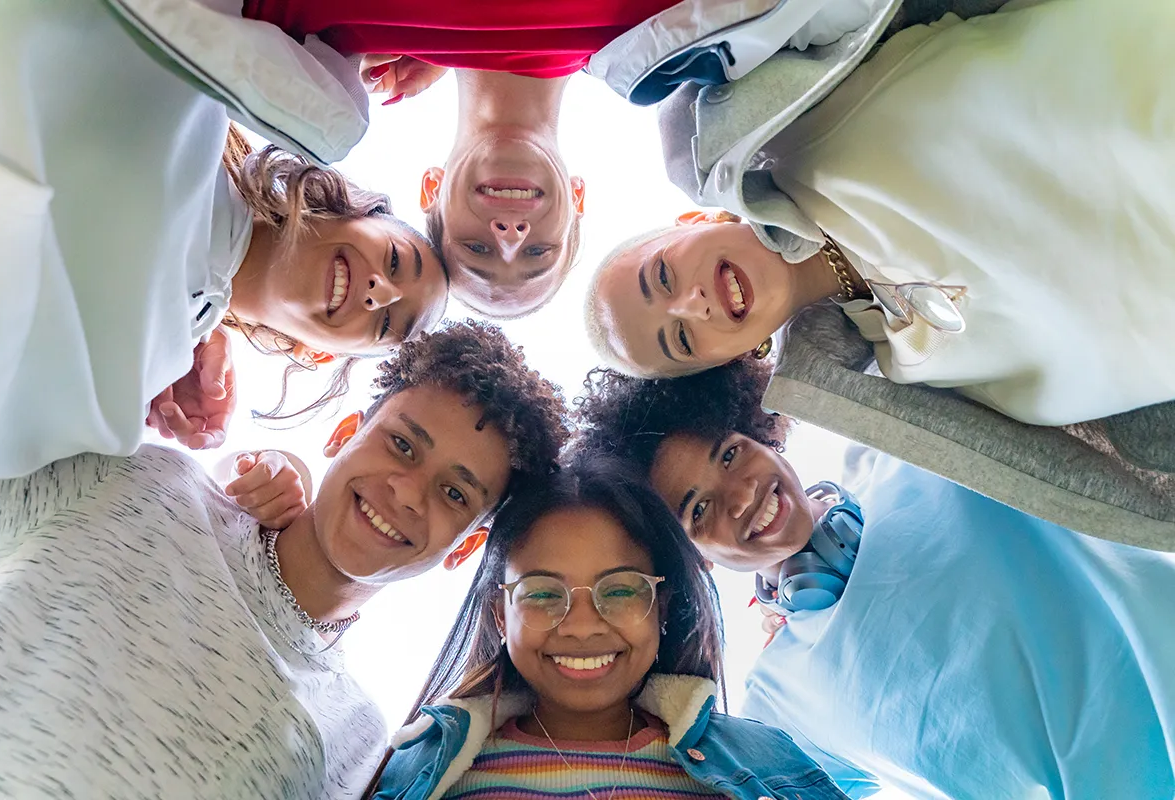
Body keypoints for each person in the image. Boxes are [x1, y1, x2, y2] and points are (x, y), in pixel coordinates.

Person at [0, 321, 569, 799]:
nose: (409, 492)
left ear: (463, 547)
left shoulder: (359, 740)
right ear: (342, 434)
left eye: (455, 493)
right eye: (402, 444)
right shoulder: (144, 476)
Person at [0, 0, 450, 577]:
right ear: (349, 209)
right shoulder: (197, 98)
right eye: (396, 261)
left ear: (324, 353)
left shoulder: (149, 383)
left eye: (385, 324)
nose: (380, 294)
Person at [575, 360, 1175, 798]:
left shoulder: (903, 444)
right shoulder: (778, 699)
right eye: (697, 510)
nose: (739, 495)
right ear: (693, 559)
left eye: (730, 454)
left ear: (760, 430)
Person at [585, 0, 1175, 427]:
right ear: (734, 356)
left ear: (694, 222)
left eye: (662, 277)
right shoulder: (915, 371)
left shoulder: (811, 119)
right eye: (682, 338)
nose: (694, 303)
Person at [367, 457, 850, 799]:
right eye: (541, 592)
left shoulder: (763, 761)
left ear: (662, 607)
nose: (581, 627)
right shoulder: (425, 772)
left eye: (619, 590)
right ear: (499, 613)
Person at [241, 0, 687, 318]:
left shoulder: (325, 27)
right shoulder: (655, 29)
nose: (509, 235)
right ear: (577, 195)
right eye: (538, 251)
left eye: (477, 248)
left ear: (431, 189)